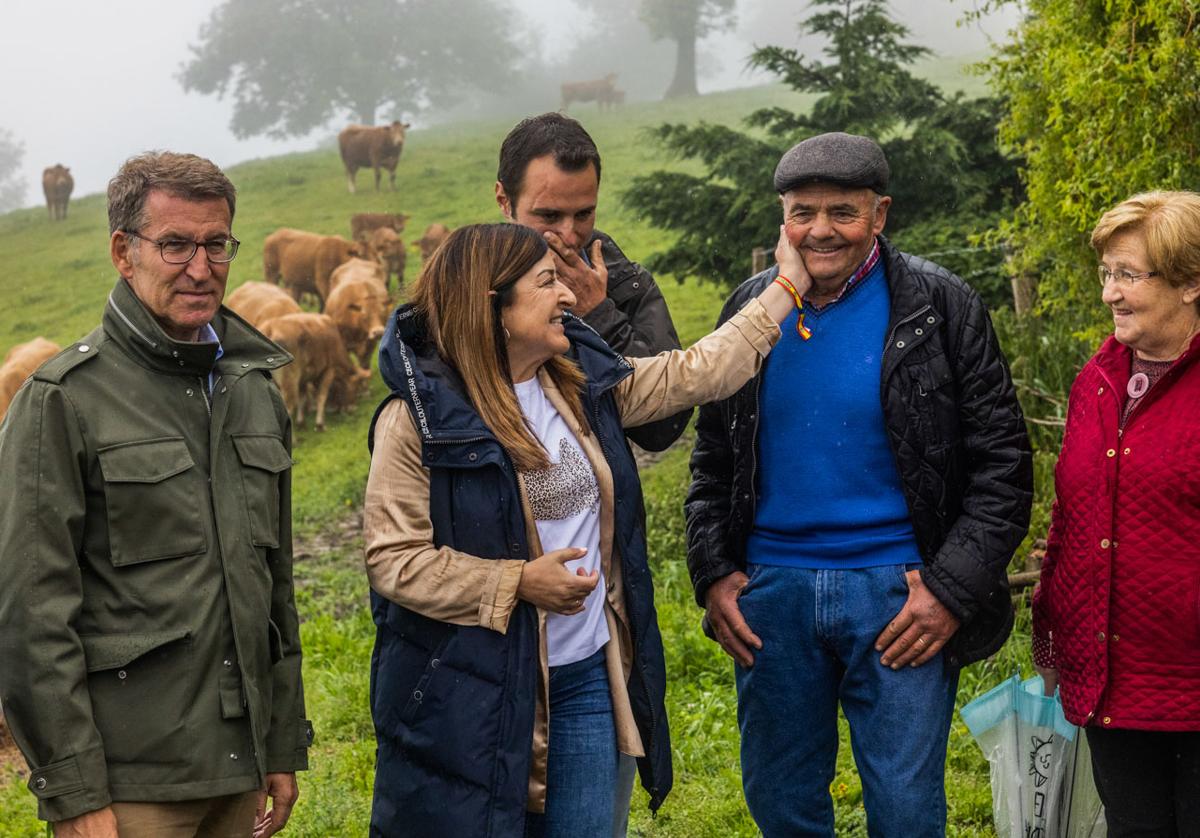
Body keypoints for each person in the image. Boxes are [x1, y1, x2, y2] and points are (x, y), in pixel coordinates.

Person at [362, 222, 804, 837]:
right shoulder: (415, 422)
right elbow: (393, 560)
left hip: (587, 678)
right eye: (546, 283)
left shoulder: (577, 385)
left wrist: (787, 284)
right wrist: (517, 583)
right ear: (492, 303)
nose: (568, 296)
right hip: (475, 692)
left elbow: (698, 372)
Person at [685, 132, 1033, 836]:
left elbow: (1003, 464)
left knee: (906, 813)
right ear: (781, 216)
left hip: (901, 595)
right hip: (771, 597)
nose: (819, 230)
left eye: (841, 211)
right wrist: (715, 572)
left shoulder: (942, 305)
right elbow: (713, 459)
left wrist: (950, 590)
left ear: (880, 214)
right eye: (801, 211)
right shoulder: (749, 311)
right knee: (781, 802)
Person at [0, 152, 311, 838]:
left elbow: (274, 588)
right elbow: (31, 616)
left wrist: (283, 741)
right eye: (175, 244)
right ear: (123, 251)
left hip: (240, 772)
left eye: (216, 244)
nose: (201, 268)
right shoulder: (63, 401)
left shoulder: (255, 392)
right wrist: (75, 792)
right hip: (130, 789)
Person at [1033, 191, 1200, 836]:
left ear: (1190, 283)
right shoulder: (1097, 380)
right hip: (1113, 677)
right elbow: (1071, 517)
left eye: (1129, 275)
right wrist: (1052, 623)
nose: (1110, 293)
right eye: (1106, 274)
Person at [496, 111, 690, 454]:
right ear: (504, 202)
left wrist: (600, 315)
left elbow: (663, 428)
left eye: (584, 214)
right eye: (549, 216)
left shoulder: (626, 284)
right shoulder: (463, 289)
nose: (569, 235)